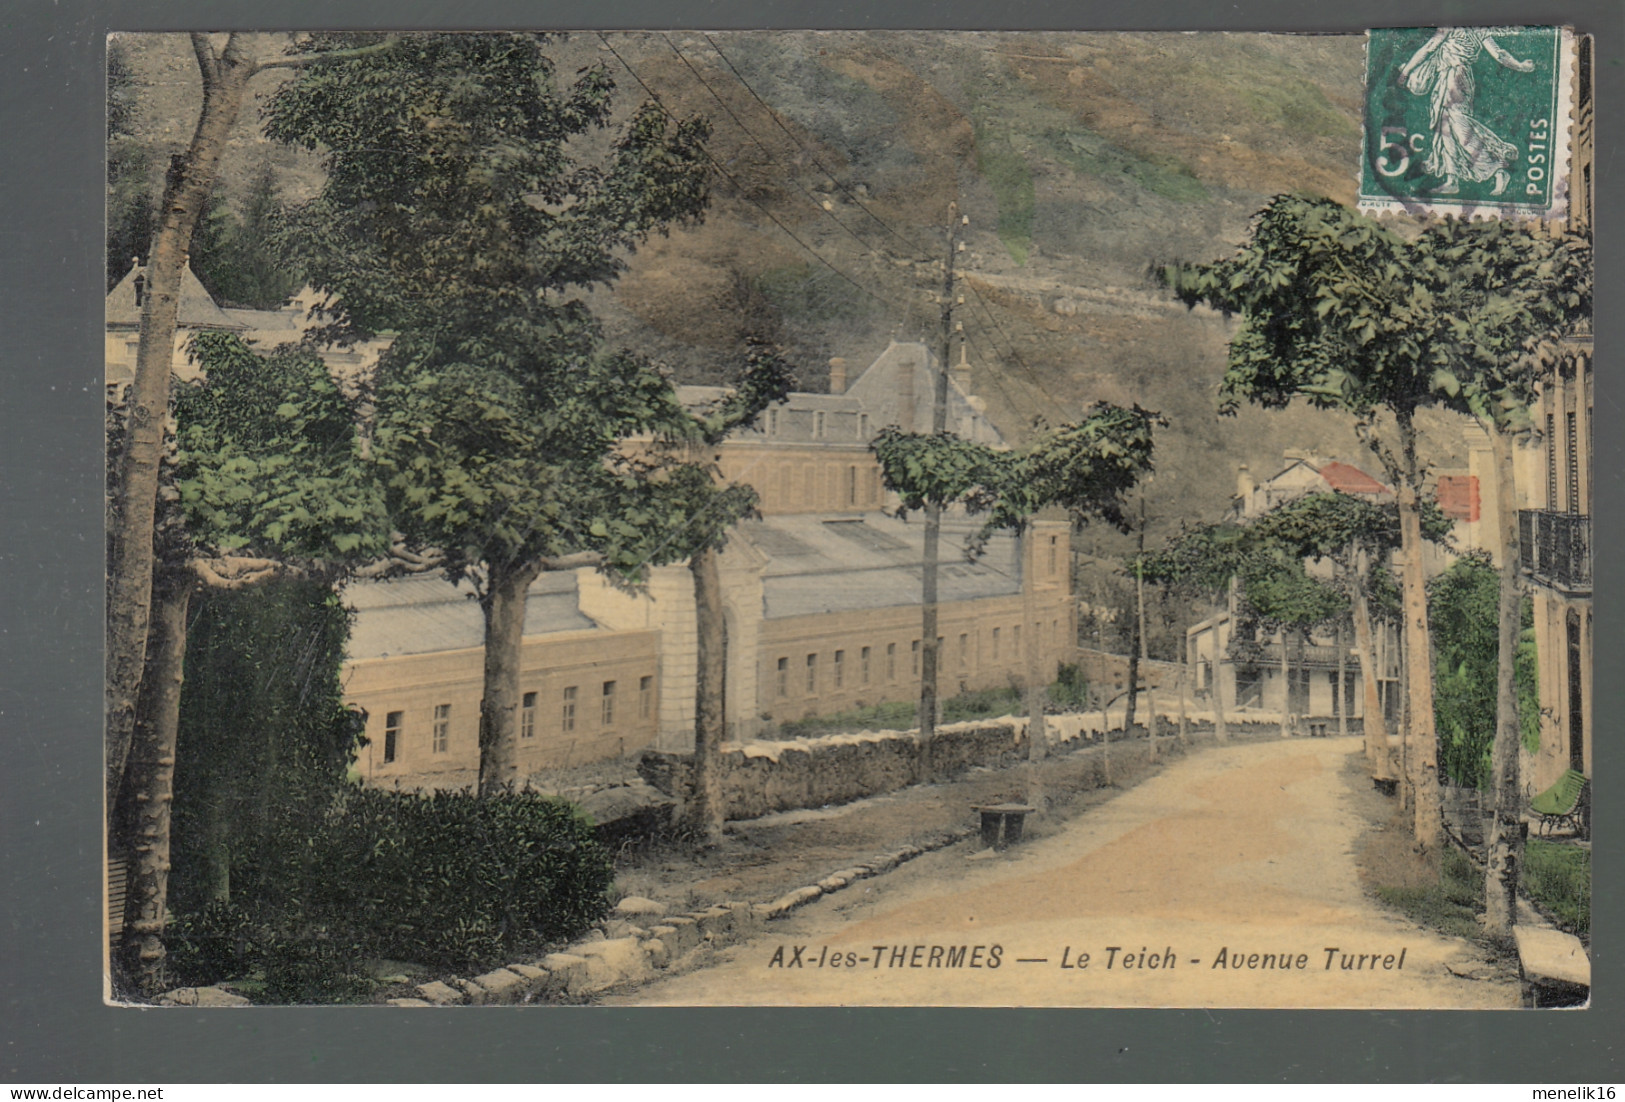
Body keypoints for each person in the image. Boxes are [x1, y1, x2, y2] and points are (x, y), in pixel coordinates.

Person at [1398, 27, 1536, 196]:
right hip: (1451, 78)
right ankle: (1452, 180)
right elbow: (1499, 53)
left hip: (1455, 78)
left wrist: (1405, 72)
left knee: (1461, 129)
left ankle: (1498, 169)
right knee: (1445, 128)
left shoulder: (1460, 27)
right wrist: (1520, 66)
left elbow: (1428, 48)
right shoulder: (1476, 29)